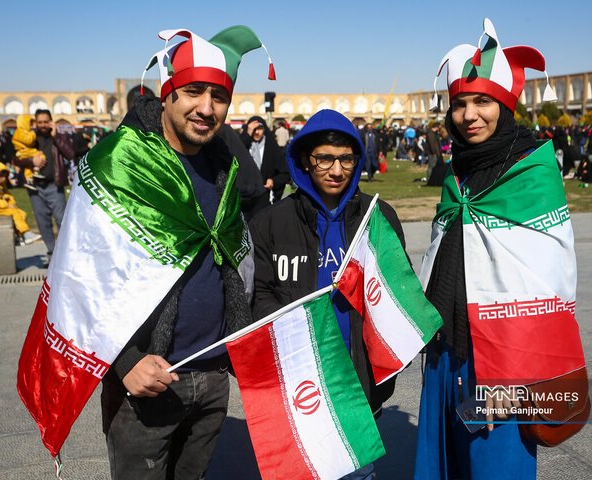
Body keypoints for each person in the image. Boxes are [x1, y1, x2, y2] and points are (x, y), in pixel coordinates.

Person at [93, 26, 275, 479]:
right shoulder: (123, 163)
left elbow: (237, 255)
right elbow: (85, 276)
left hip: (212, 372)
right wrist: (125, 363)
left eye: (219, 96)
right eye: (194, 91)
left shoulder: (223, 168)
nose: (206, 108)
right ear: (167, 93)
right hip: (147, 378)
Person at [416, 19, 584, 479]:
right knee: (443, 468)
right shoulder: (457, 176)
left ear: (506, 105)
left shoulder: (532, 173)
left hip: (503, 367)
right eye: (460, 104)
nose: (469, 115)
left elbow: (552, 283)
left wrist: (514, 375)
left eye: (483, 101)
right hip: (447, 354)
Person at [249, 109, 406, 480]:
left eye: (346, 159)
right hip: (300, 373)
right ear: (305, 159)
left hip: (356, 375)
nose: (336, 171)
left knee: (356, 472)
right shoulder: (272, 222)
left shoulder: (378, 216)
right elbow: (258, 294)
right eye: (324, 159)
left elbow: (400, 293)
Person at [12, 109, 73, 265]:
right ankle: (52, 255)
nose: (43, 125)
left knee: (62, 221)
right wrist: (31, 161)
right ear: (35, 123)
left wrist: (56, 136)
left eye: (46, 121)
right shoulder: (31, 138)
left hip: (54, 186)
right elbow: (17, 159)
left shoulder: (59, 137)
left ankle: (66, 255)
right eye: (40, 122)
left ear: (51, 122)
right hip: (35, 188)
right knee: (43, 223)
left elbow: (70, 154)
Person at [0, 161, 41, 245]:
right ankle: (26, 232)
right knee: (14, 213)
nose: (4, 179)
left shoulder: (1, 185)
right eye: (1, 176)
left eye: (5, 176)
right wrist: (7, 205)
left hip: (3, 207)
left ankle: (19, 236)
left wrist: (12, 204)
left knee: (22, 214)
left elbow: (8, 195)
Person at [240, 115, 290, 201]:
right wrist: (246, 135)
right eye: (254, 129)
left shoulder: (272, 147)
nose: (256, 132)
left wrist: (273, 181)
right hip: (245, 196)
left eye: (259, 128)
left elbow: (285, 173)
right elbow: (234, 155)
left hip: (265, 196)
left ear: (264, 130)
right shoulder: (245, 145)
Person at [11, 114, 45, 191]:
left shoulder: (23, 132)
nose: (32, 126)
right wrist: (33, 134)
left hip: (26, 151)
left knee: (28, 168)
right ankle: (36, 171)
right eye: (30, 124)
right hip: (25, 152)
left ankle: (29, 180)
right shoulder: (20, 132)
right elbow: (28, 141)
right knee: (41, 156)